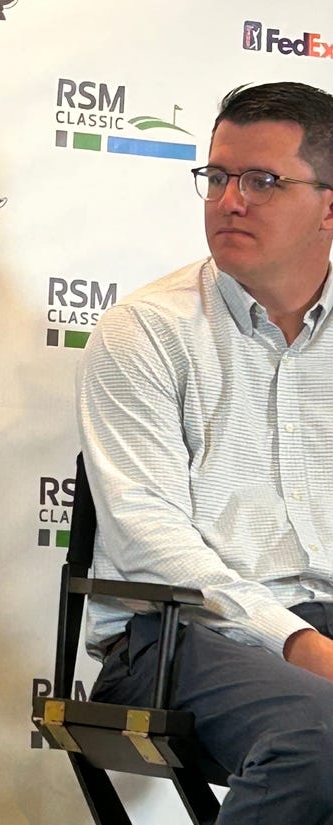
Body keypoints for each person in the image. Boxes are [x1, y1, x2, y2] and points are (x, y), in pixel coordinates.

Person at [78, 81, 333, 823]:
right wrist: (299, 642)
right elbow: (148, 537)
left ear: (329, 203)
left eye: (262, 181)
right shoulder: (148, 331)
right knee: (320, 737)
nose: (230, 201)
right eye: (217, 177)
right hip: (176, 634)